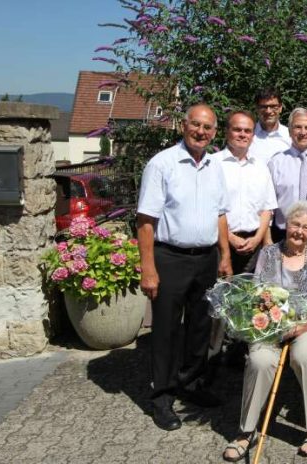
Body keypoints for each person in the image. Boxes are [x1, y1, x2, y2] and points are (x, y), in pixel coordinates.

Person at [137, 103, 233, 431]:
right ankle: (161, 397)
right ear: (183, 125)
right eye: (196, 125)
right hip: (170, 258)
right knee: (165, 329)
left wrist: (224, 255)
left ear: (214, 132)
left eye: (208, 128)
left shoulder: (214, 166)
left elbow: (220, 213)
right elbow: (146, 220)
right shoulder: (162, 164)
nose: (201, 132)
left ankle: (190, 384)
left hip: (205, 258)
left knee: (200, 328)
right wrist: (148, 268)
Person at [222, 201, 307, 461]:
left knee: (304, 355)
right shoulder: (269, 254)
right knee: (260, 360)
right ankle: (246, 431)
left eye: (306, 227)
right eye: (295, 224)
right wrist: (273, 323)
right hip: (270, 325)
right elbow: (259, 294)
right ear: (286, 225)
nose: (299, 231)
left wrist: (303, 325)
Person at [217, 111, 277, 275]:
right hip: (220, 244)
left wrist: (258, 238)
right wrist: (230, 238)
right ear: (227, 131)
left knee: (250, 297)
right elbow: (207, 210)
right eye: (237, 129)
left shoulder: (260, 166)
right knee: (220, 296)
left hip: (254, 246)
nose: (243, 134)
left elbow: (267, 208)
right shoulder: (213, 164)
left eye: (248, 131)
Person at [267, 108, 307, 250]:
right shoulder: (276, 162)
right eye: (297, 127)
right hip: (282, 234)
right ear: (289, 131)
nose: (302, 132)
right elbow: (268, 204)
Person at [249, 88, 292, 164]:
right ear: (257, 108)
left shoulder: (290, 136)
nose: (268, 111)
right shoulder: (247, 135)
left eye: (273, 106)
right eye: (264, 107)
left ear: (280, 108)